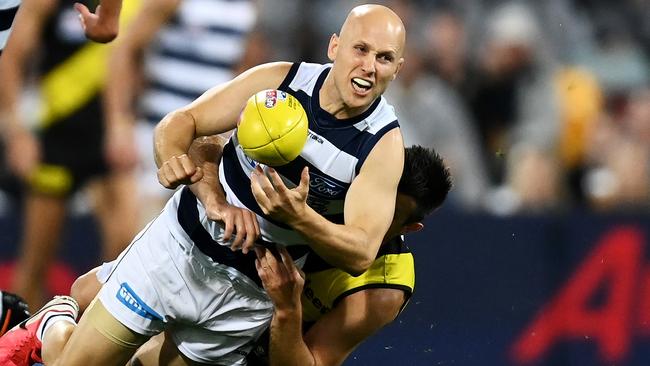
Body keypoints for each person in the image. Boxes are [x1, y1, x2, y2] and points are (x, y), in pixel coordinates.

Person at [1, 4, 407, 365]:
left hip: (246, 301)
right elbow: (180, 124)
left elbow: (360, 251)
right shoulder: (279, 82)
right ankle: (53, 320)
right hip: (176, 251)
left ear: (398, 67)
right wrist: (203, 189)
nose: (369, 67)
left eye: (384, 58)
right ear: (334, 47)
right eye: (361, 50)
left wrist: (299, 218)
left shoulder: (382, 146)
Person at [0, 141, 452, 366]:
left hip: (253, 343)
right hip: (200, 265)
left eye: (390, 213)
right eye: (376, 193)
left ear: (410, 228)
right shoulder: (326, 173)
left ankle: (47, 328)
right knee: (83, 293)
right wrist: (213, 198)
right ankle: (53, 324)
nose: (368, 213)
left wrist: (288, 311)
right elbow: (206, 147)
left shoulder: (382, 288)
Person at [0, 0, 139, 310]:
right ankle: (18, 349)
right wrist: (17, 132)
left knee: (125, 254)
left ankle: (89, 345)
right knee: (36, 262)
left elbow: (129, 58)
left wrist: (123, 122)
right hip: (57, 137)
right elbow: (12, 57)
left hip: (107, 138)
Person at [103, 0, 258, 226]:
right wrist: (119, 124)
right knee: (130, 236)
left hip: (207, 144)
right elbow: (124, 51)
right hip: (156, 134)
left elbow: (241, 71)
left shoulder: (248, 7)